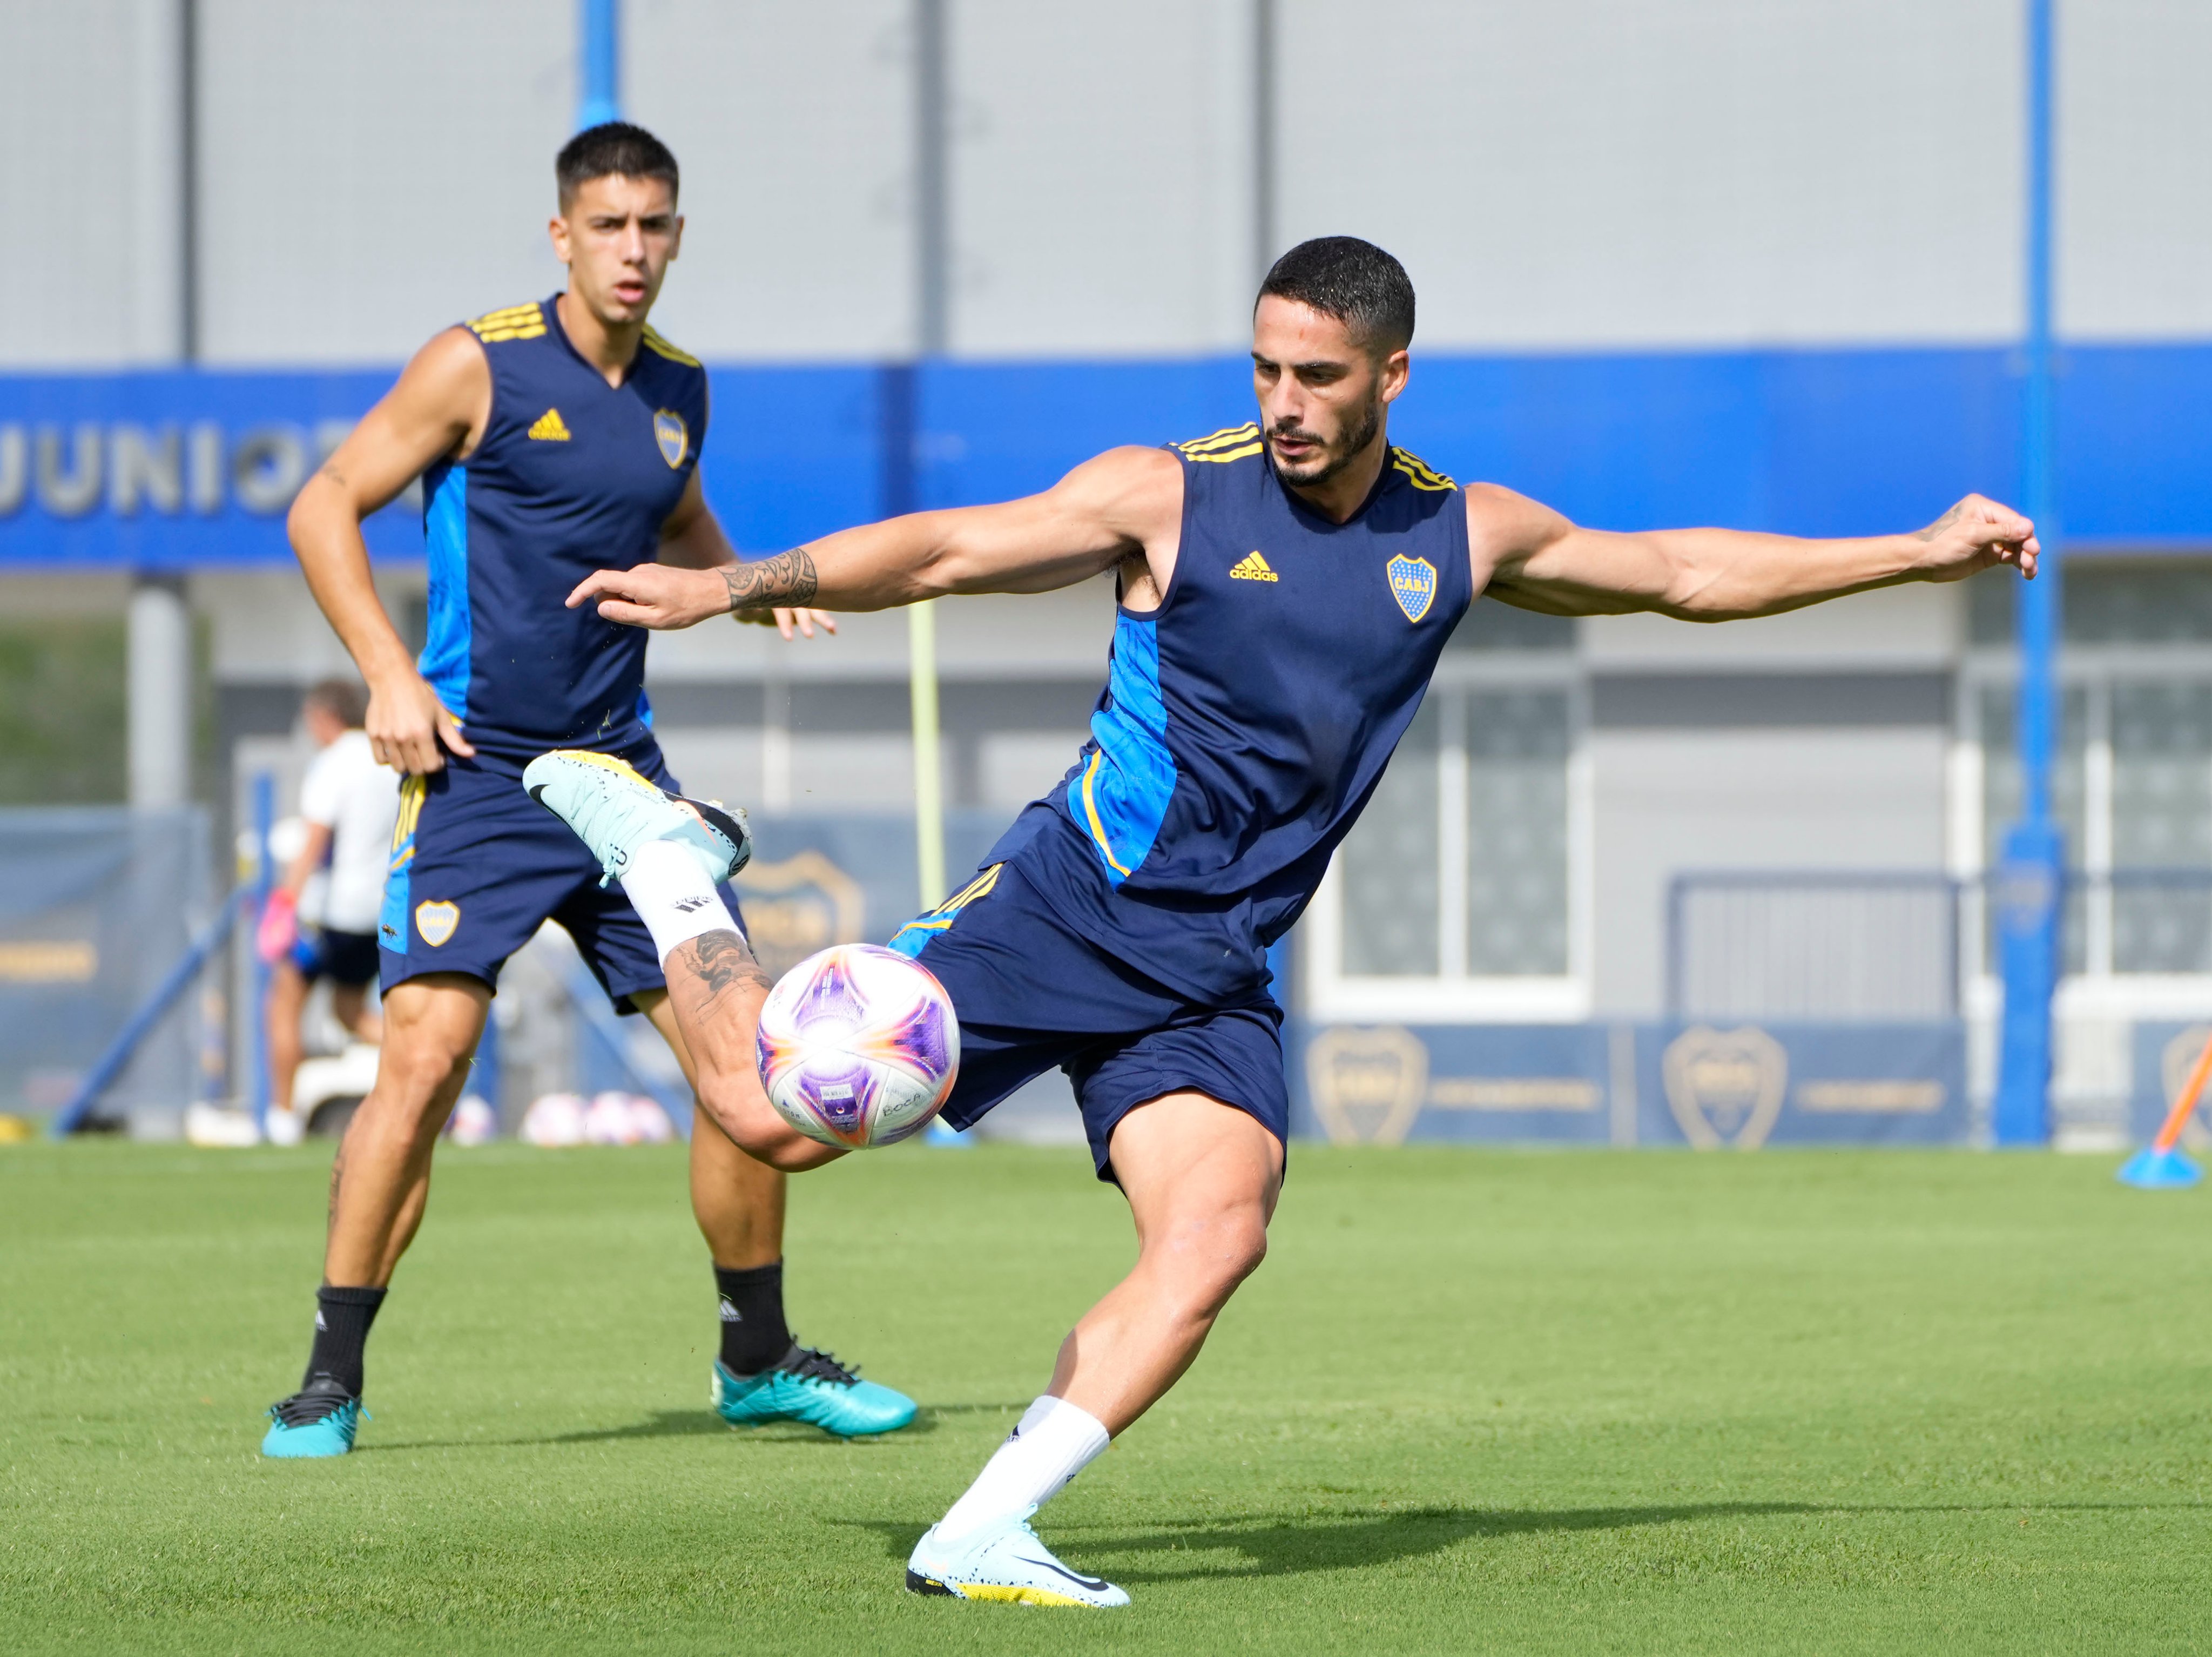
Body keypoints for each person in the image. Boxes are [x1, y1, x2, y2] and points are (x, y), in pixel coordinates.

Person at [525, 235, 2039, 1606]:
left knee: (1219, 1229)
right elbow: (946, 552)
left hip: (1211, 968)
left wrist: (1914, 548)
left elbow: (1689, 573)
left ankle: (982, 1528)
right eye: (1266, 368)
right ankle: (668, 865)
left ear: (1391, 374)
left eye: (1318, 374)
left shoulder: (1462, 532)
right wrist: (733, 583)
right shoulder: (1169, 494)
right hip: (1070, 902)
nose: (1287, 399)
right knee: (762, 1112)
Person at [261, 122, 914, 1458]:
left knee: (745, 1071)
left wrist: (742, 590)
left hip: (626, 781)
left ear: (678, 235)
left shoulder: (682, 385)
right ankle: (329, 1377)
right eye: (609, 226)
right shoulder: (477, 362)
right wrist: (390, 675)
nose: (634, 250)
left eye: (655, 226)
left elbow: (671, 514)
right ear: (562, 234)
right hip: (477, 772)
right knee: (428, 1062)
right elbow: (326, 502)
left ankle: (759, 1357)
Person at [257, 679, 399, 1142]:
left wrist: (283, 902)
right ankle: (436, 1076)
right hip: (376, 911)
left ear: (325, 718)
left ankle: (281, 1119)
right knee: (349, 1013)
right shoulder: (388, 760)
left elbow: (315, 840)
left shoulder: (334, 763)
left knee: (283, 1006)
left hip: (328, 911)